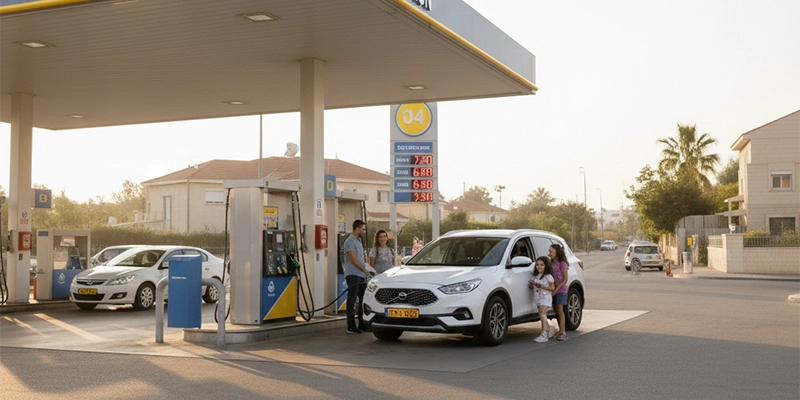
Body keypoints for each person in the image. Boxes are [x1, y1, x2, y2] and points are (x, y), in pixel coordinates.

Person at [344, 219, 372, 334]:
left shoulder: (359, 241)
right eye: (363, 229)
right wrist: (365, 270)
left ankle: (362, 323)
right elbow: (353, 259)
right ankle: (351, 325)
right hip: (353, 274)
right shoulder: (350, 242)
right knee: (352, 301)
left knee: (362, 300)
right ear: (357, 228)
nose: (364, 232)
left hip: (361, 275)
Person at [529, 256, 555, 342]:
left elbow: (552, 288)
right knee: (542, 315)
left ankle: (544, 334)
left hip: (546, 298)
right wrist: (532, 284)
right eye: (537, 265)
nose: (539, 267)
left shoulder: (548, 276)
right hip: (538, 299)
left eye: (542, 265)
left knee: (543, 314)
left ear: (546, 266)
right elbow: (532, 285)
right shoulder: (536, 276)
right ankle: (549, 330)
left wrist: (540, 286)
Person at [549, 243, 570, 341]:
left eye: (551, 251)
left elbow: (565, 279)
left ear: (557, 252)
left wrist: (556, 290)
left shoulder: (562, 264)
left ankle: (563, 332)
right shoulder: (551, 263)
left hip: (561, 290)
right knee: (556, 310)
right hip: (553, 289)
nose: (549, 253)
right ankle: (560, 329)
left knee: (560, 310)